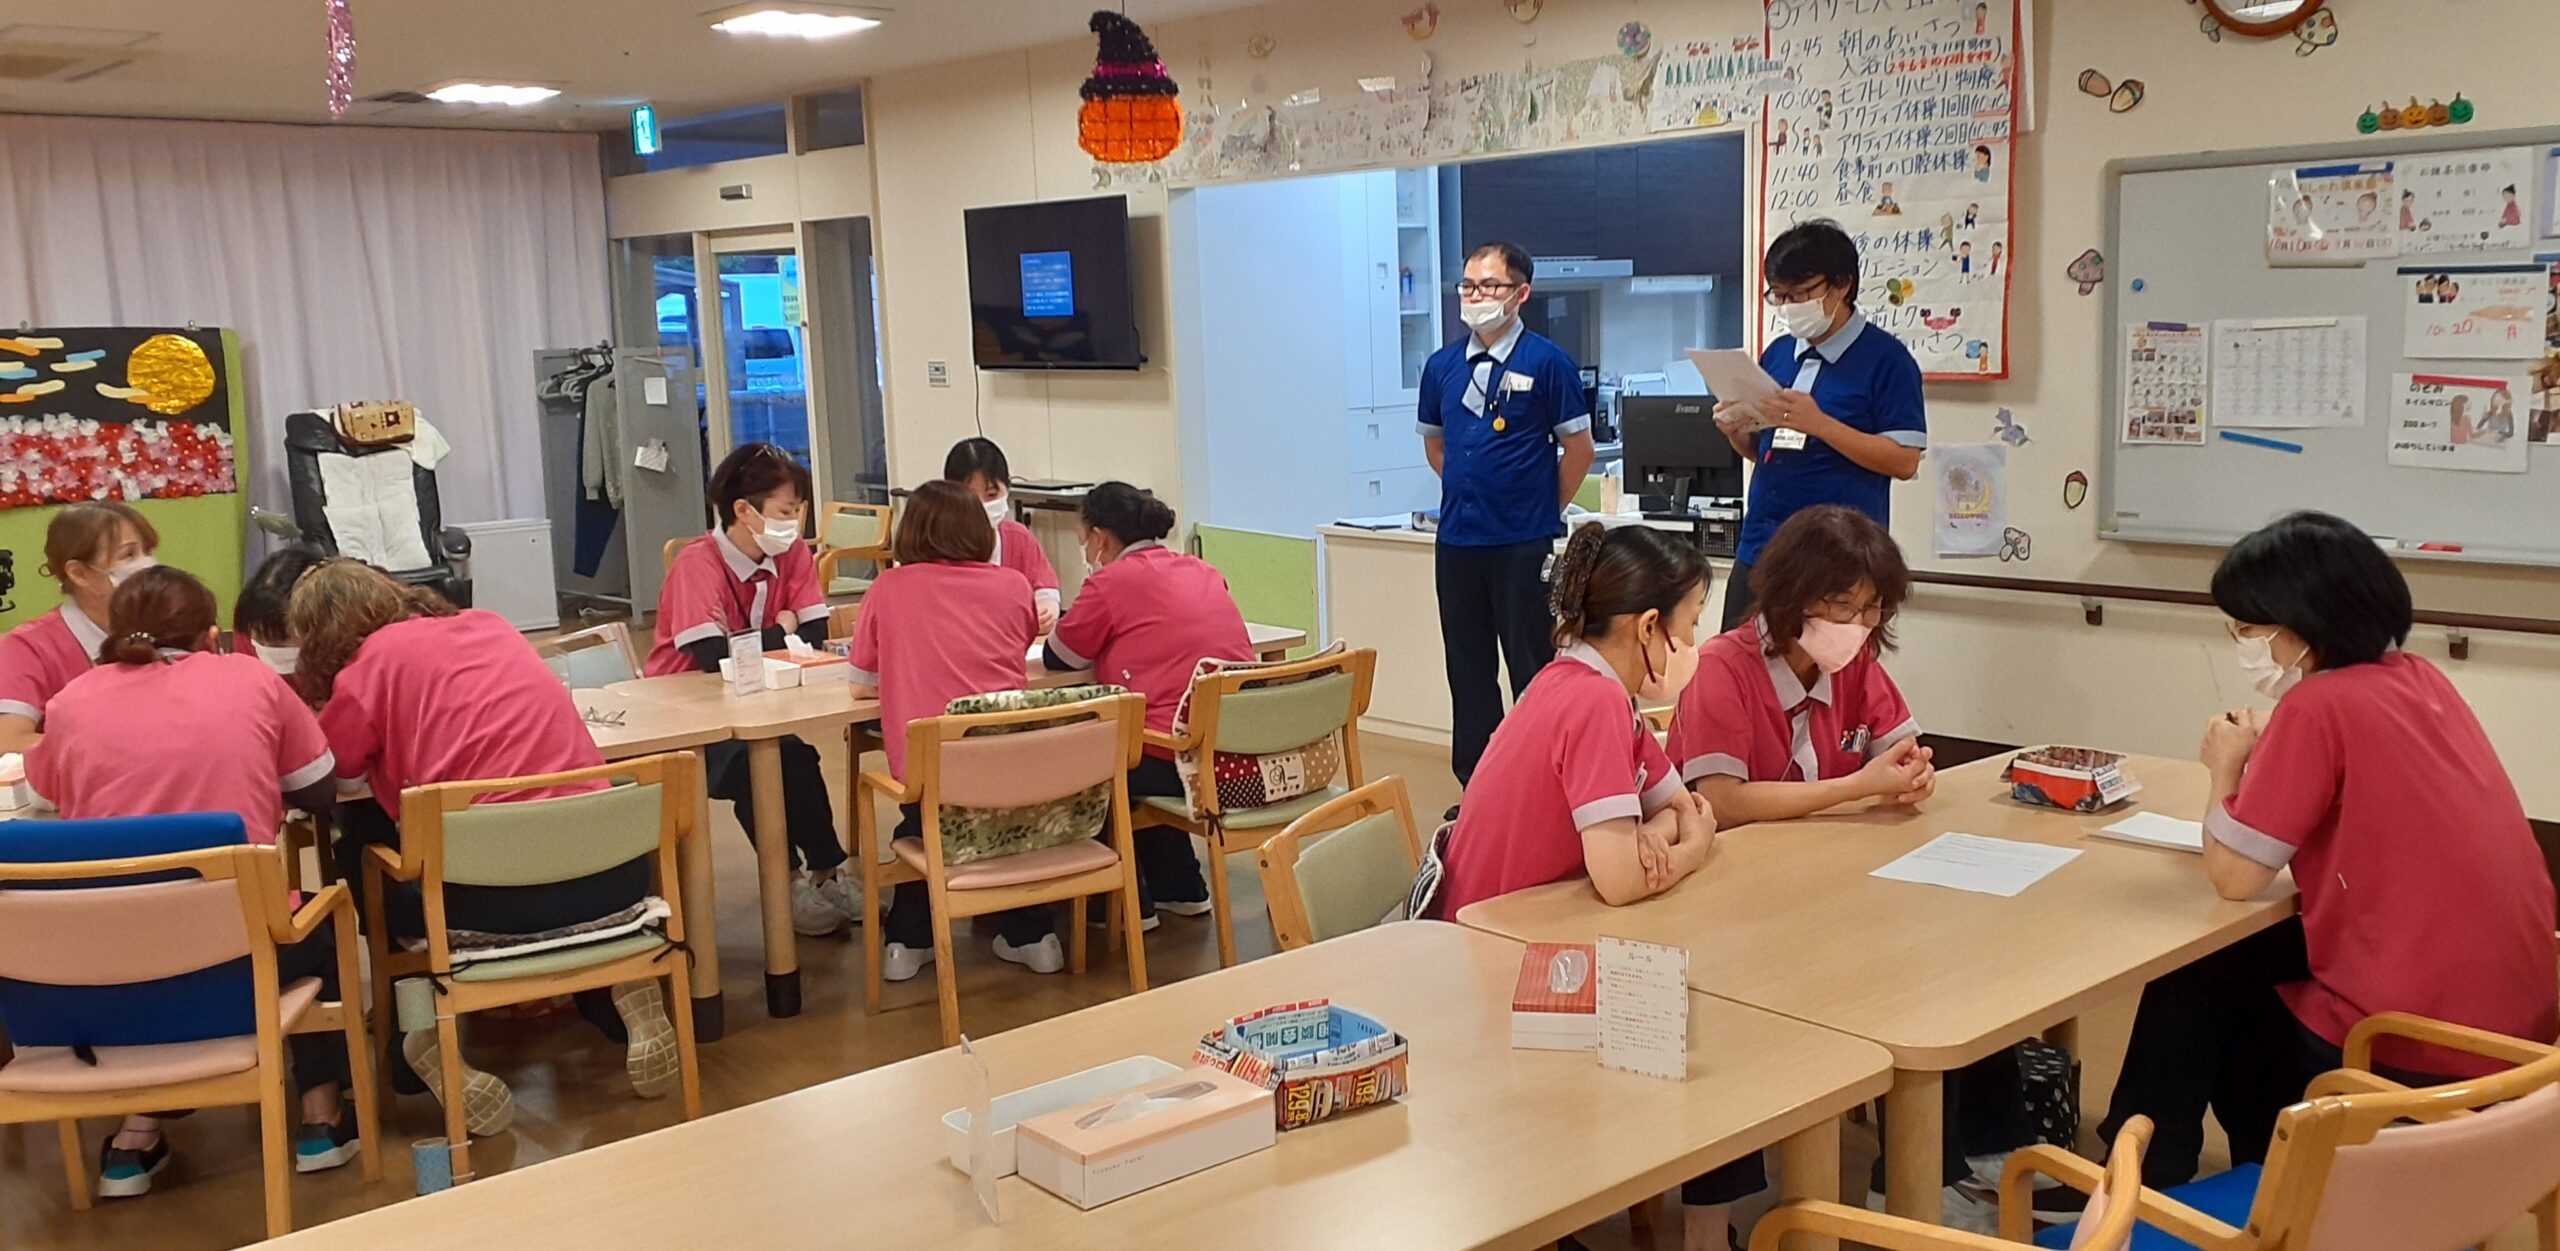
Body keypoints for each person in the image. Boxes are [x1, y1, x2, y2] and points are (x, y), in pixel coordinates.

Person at [2096, 511, 2558, 1186]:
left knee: (2199, 977)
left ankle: (2164, 1179)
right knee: (2222, 967)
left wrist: (2226, 767)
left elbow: (2233, 876)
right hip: (2518, 1028)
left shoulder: (2317, 707)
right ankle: (2212, 1174)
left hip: (2414, 1041)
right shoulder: (2417, 677)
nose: (2243, 644)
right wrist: (2278, 741)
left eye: (2248, 629)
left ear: (2301, 625)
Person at [1665, 507, 2036, 1228]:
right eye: (1843, 606)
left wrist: (1909, 771)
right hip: (1739, 910)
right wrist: (1858, 787)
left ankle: (1980, 1153)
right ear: (1793, 596)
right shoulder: (1724, 668)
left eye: (1872, 610)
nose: (1859, 625)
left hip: (1830, 885)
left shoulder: (1853, 662)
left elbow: (1896, 746)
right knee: (1906, 978)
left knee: (1961, 963)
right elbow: (1724, 800)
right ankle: (1921, 1177)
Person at [1418, 523, 1740, 1250]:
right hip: (1496, 966)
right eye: (1690, 624)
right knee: (1710, 1034)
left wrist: (1660, 833)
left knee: (1705, 1012)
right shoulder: (1592, 702)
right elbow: (1627, 876)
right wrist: (1685, 850)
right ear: (1648, 627)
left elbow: (1682, 804)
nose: (1693, 644)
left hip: (1526, 936)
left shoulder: (1586, 683)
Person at [292, 561, 681, 1137]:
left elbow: (334, 773)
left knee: (362, 857)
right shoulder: (493, 626)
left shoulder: (369, 667)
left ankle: (420, 1030)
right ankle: (621, 984)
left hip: (487, 903)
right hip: (613, 879)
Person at [26, 567, 355, 1195]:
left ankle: (136, 1135)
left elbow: (45, 794)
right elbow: (318, 789)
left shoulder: (70, 701)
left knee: (153, 923)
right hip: (239, 959)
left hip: (112, 971)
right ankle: (321, 1117)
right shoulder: (249, 679)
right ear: (211, 636)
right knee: (321, 915)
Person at [646, 443, 856, 938]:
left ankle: (827, 874)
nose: (795, 523)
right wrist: (782, 630)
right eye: (786, 511)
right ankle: (785, 884)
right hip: (685, 714)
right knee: (755, 764)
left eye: (799, 510)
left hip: (757, 701)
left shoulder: (793, 554)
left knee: (796, 756)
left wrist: (754, 638)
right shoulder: (698, 564)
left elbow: (815, 632)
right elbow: (708, 657)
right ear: (743, 510)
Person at [847, 480, 1050, 981]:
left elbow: (861, 684)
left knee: (924, 821)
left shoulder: (888, 588)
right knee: (997, 813)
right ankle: (1035, 936)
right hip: (1015, 765)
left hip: (932, 771)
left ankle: (908, 942)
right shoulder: (1013, 585)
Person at [1418, 241, 1597, 799]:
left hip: (1523, 542)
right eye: (1468, 286)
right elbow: (1437, 448)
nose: (1476, 296)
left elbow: (1580, 451)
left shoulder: (1547, 363)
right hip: (1458, 541)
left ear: (1521, 294)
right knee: (1467, 670)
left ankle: (1540, 784)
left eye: (1490, 286)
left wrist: (1540, 509)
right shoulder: (1442, 366)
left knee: (1532, 666)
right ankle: (1479, 789)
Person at [1042, 481, 1251, 922]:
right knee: (1147, 732)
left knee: (1086, 759)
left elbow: (1060, 656)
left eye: (1083, 540)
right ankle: (1180, 885)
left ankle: (1120, 906)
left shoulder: (1110, 582)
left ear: (1101, 538)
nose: (1085, 550)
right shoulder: (1201, 569)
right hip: (1236, 750)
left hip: (1177, 760)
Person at [1717, 221, 1927, 632]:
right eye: (1778, 295)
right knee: (1735, 660)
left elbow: (1904, 461)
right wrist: (1736, 432)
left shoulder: (1887, 360)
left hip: (1838, 559)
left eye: (1800, 293)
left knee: (1826, 666)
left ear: (1842, 285)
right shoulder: (1779, 353)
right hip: (1761, 545)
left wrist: (1822, 425)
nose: (1788, 305)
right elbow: (1768, 450)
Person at [0, 501, 158, 753]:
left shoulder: (168, 627)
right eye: (129, 555)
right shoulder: (28, 648)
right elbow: (8, 742)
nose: (148, 564)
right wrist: (113, 748)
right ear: (79, 573)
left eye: (147, 551)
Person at [946, 436, 1062, 633]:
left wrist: (1046, 612)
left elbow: (1046, 591)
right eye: (971, 497)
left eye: (992, 495)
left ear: (1007, 487)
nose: (982, 505)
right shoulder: (938, 542)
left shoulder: (1019, 538)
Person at [235, 546, 327, 681]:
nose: (268, 648)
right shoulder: (247, 622)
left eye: (279, 641)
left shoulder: (345, 651)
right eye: (260, 638)